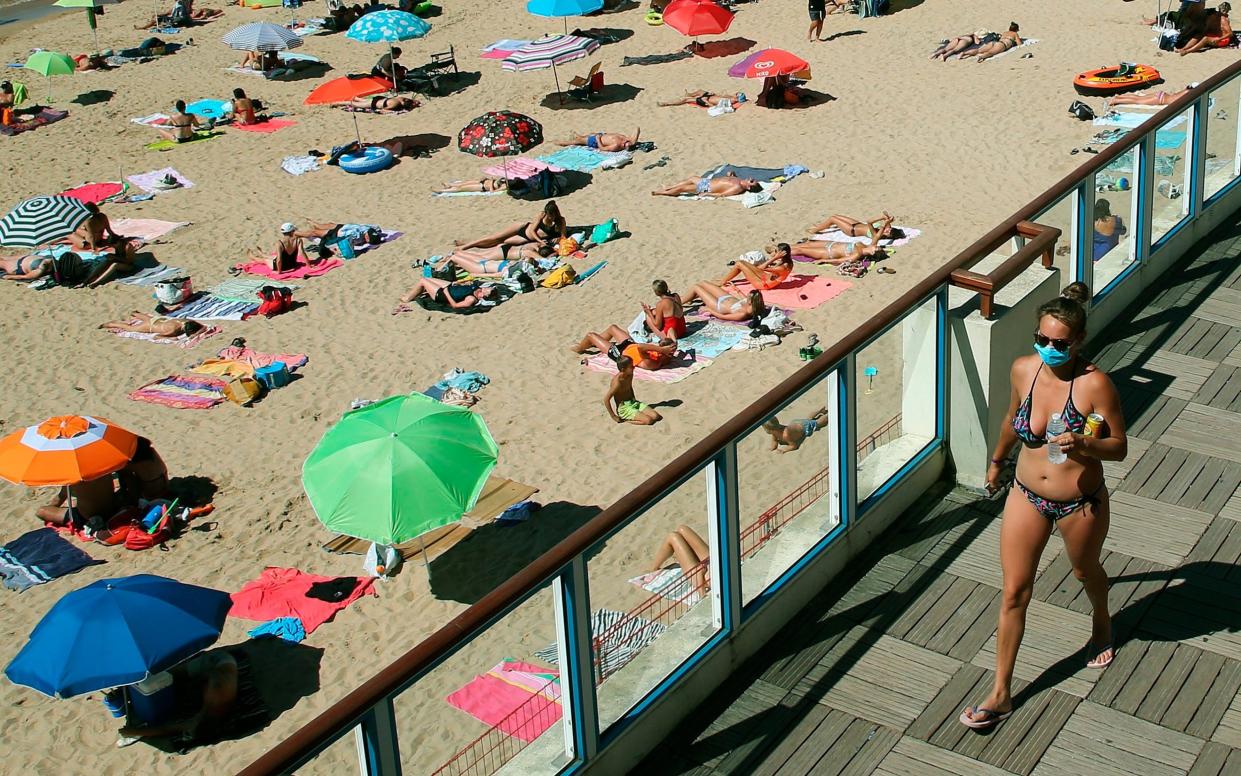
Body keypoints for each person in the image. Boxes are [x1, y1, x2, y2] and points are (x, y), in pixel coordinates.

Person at [961, 283, 1126, 730]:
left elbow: (1119, 448)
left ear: (1078, 342)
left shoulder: (1095, 384)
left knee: (1085, 571)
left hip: (1080, 502)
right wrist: (996, 462)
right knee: (1014, 591)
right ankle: (1001, 692)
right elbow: (1012, 422)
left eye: (1059, 343)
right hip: (1026, 494)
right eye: (1041, 340)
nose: (1048, 349)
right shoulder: (1023, 370)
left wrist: (1086, 442)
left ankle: (1102, 621)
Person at [116, 651, 239, 748]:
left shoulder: (208, 714)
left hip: (222, 668)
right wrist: (135, 731)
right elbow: (211, 677)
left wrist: (138, 732)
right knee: (171, 675)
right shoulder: (217, 697)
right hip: (219, 660)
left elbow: (169, 729)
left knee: (168, 681)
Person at [455, 201, 566, 250]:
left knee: (499, 243)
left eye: (551, 215)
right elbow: (532, 230)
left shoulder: (561, 221)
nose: (550, 218)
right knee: (494, 237)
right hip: (522, 228)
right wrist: (540, 241)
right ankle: (465, 246)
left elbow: (563, 237)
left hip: (524, 238)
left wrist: (557, 239)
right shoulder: (542, 214)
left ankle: (469, 244)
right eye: (548, 215)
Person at [571, 324, 679, 371]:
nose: (658, 345)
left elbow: (640, 347)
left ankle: (580, 348)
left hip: (621, 354)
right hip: (630, 345)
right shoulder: (669, 352)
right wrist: (674, 342)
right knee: (613, 328)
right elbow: (670, 330)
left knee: (591, 335)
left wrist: (661, 349)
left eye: (660, 347)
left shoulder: (653, 363)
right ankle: (596, 342)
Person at [604, 356, 662, 425]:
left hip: (633, 402)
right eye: (631, 366)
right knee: (649, 421)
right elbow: (606, 399)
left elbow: (629, 387)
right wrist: (613, 416)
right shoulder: (617, 383)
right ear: (623, 369)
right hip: (624, 408)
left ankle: (635, 413)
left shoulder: (630, 375)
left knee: (656, 416)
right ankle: (626, 420)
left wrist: (634, 398)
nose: (634, 367)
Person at [36, 476, 115, 527]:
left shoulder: (73, 478)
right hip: (113, 507)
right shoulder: (104, 467)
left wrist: (51, 507)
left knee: (41, 511)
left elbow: (58, 500)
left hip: (88, 517)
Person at [431, 243, 551, 277]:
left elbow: (496, 275)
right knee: (458, 256)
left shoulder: (512, 270)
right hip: (484, 263)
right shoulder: (515, 264)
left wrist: (474, 274)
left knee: (455, 258)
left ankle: (438, 272)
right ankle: (438, 265)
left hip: (481, 268)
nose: (525, 258)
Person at [117, 436, 171, 503]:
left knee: (127, 476)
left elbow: (122, 469)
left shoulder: (138, 465)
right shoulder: (152, 453)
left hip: (152, 495)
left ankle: (132, 499)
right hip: (165, 487)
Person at [714, 244, 794, 290]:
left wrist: (774, 258)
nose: (775, 253)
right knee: (741, 262)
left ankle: (722, 282)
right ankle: (724, 280)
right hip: (767, 278)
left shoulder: (783, 267)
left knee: (739, 264)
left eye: (776, 251)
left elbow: (760, 269)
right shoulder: (787, 261)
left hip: (764, 285)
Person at [394, 277, 495, 312]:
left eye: (487, 289)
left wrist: (446, 292)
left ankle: (407, 299)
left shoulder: (471, 299)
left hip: (442, 295)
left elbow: (454, 306)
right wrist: (458, 284)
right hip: (450, 288)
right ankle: (414, 293)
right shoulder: (477, 289)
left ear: (482, 295)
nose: (486, 287)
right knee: (428, 279)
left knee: (423, 281)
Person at [680, 283, 767, 322]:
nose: (746, 298)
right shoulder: (755, 304)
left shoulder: (742, 314)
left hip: (718, 306)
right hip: (727, 298)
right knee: (703, 283)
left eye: (748, 298)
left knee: (696, 287)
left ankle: (677, 303)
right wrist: (737, 290)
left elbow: (723, 316)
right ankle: (688, 298)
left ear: (750, 302)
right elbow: (745, 299)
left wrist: (708, 309)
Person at [101, 312, 205, 341]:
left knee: (145, 318)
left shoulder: (184, 321)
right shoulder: (173, 330)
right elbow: (156, 336)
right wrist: (172, 338)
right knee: (129, 328)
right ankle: (109, 324)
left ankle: (135, 314)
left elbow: (202, 327)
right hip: (149, 326)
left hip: (156, 320)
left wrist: (196, 332)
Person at [763, 407, 828, 452]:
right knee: (808, 419)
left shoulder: (786, 435)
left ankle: (827, 416)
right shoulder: (775, 432)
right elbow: (774, 441)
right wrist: (772, 448)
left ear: (770, 430)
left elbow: (794, 446)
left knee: (817, 423)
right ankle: (819, 411)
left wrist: (783, 450)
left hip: (805, 427)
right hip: (795, 423)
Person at [791, 235, 888, 265]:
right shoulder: (864, 245)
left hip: (828, 253)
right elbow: (877, 236)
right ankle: (781, 247)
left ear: (872, 252)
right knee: (807, 244)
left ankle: (782, 252)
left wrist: (823, 260)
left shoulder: (857, 254)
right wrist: (887, 221)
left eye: (876, 247)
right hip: (830, 244)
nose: (875, 245)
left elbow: (839, 260)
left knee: (801, 250)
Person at [807, 212, 902, 241]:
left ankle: (815, 230)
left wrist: (882, 219)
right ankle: (821, 226)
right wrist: (888, 218)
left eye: (888, 233)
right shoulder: (886, 228)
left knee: (833, 219)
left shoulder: (877, 234)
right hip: (856, 224)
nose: (887, 230)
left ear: (888, 236)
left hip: (851, 230)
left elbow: (869, 222)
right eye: (889, 229)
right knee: (835, 216)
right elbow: (887, 220)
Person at [651, 175, 762, 198]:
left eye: (752, 181)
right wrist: (730, 175)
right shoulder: (739, 180)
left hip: (707, 187)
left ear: (748, 188)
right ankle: (669, 187)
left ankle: (661, 192)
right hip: (707, 182)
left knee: (682, 189)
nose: (751, 179)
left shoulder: (738, 187)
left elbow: (722, 194)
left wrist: (708, 193)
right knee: (691, 178)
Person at [1105, 83, 1196, 107]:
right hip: (1160, 100)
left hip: (1162, 94)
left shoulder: (1186, 89)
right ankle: (1116, 100)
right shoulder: (1189, 94)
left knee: (1139, 98)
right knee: (1138, 101)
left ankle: (1119, 97)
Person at [556, 128, 640, 152]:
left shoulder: (616, 146)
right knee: (585, 136)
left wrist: (598, 139)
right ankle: (578, 136)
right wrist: (633, 141)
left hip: (595, 141)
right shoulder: (628, 140)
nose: (624, 143)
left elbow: (602, 149)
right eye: (627, 142)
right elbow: (637, 129)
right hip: (602, 135)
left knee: (576, 142)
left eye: (624, 145)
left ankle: (559, 143)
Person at [657, 90, 748, 108]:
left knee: (685, 99)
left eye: (737, 94)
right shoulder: (731, 98)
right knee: (700, 90)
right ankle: (690, 94)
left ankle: (666, 103)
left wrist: (705, 101)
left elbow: (715, 107)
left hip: (705, 101)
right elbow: (720, 96)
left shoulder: (728, 102)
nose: (735, 93)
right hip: (709, 97)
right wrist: (714, 94)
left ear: (737, 98)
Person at [431, 177, 509, 194]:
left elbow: (492, 191)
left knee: (461, 188)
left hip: (482, 187)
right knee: (463, 183)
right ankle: (449, 185)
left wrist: (491, 183)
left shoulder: (504, 186)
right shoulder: (504, 178)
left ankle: (441, 191)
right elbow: (492, 179)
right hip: (481, 182)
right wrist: (487, 179)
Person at [348, 94, 419, 113]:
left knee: (363, 101)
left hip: (379, 99)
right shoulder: (395, 104)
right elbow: (384, 109)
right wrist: (390, 111)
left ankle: (357, 98)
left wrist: (414, 102)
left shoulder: (400, 99)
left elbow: (411, 100)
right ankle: (337, 103)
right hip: (375, 104)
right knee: (353, 104)